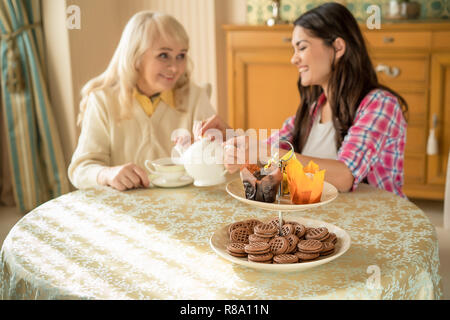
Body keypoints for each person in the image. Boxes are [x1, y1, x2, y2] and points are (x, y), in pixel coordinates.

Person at [200, 2, 408, 198]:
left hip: (375, 222)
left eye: (301, 47)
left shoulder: (380, 104)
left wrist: (263, 152)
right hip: (327, 221)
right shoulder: (313, 109)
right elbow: (268, 151)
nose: (294, 58)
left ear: (338, 47)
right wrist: (227, 137)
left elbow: (345, 176)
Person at [68, 11, 215, 191]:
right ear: (135, 57)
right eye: (163, 55)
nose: (175, 67)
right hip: (124, 213)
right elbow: (80, 170)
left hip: (183, 210)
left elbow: (219, 158)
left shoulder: (195, 96)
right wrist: (107, 173)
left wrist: (209, 151)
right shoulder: (103, 100)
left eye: (181, 55)